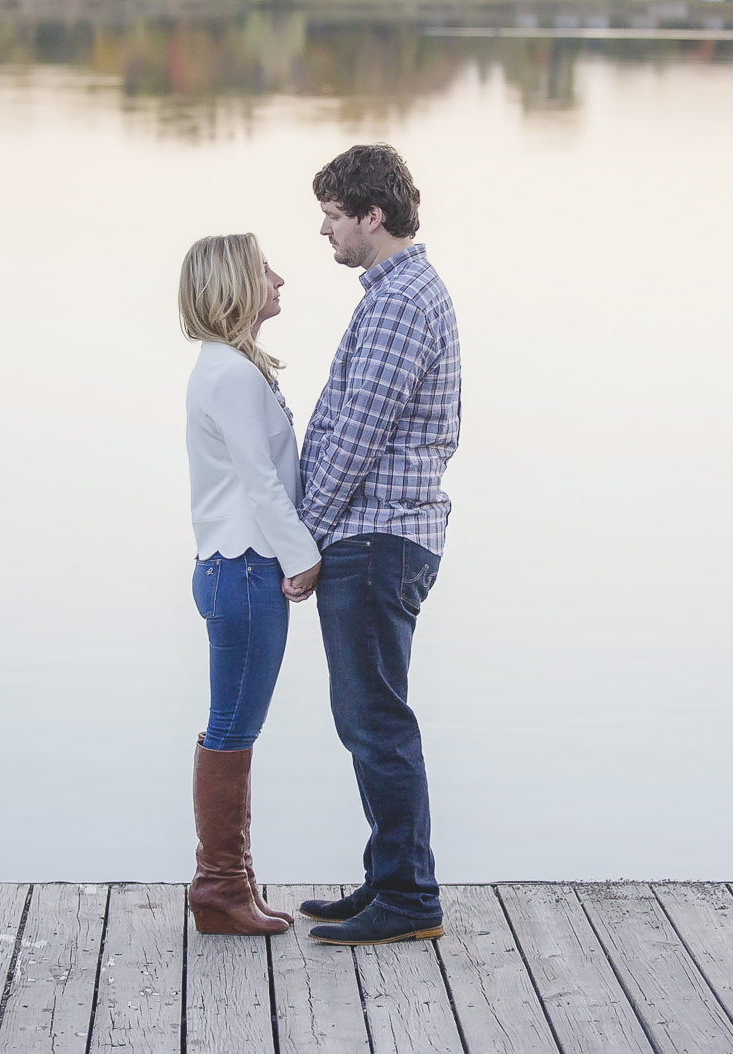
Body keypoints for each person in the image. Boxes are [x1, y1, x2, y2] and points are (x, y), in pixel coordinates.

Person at [283, 144, 462, 946]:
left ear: (371, 214)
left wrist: (304, 539)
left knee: (375, 719)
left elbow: (359, 431)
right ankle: (390, 878)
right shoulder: (399, 291)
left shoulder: (399, 302)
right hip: (382, 535)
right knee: (370, 715)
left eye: (331, 213)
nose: (324, 231)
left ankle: (410, 898)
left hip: (375, 537)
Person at [178, 233, 322, 935]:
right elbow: (261, 483)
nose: (280, 278)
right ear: (236, 282)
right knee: (234, 728)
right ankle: (219, 888)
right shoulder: (229, 376)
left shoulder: (229, 367)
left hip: (234, 566)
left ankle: (229, 883)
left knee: (234, 726)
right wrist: (303, 556)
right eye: (266, 268)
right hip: (244, 566)